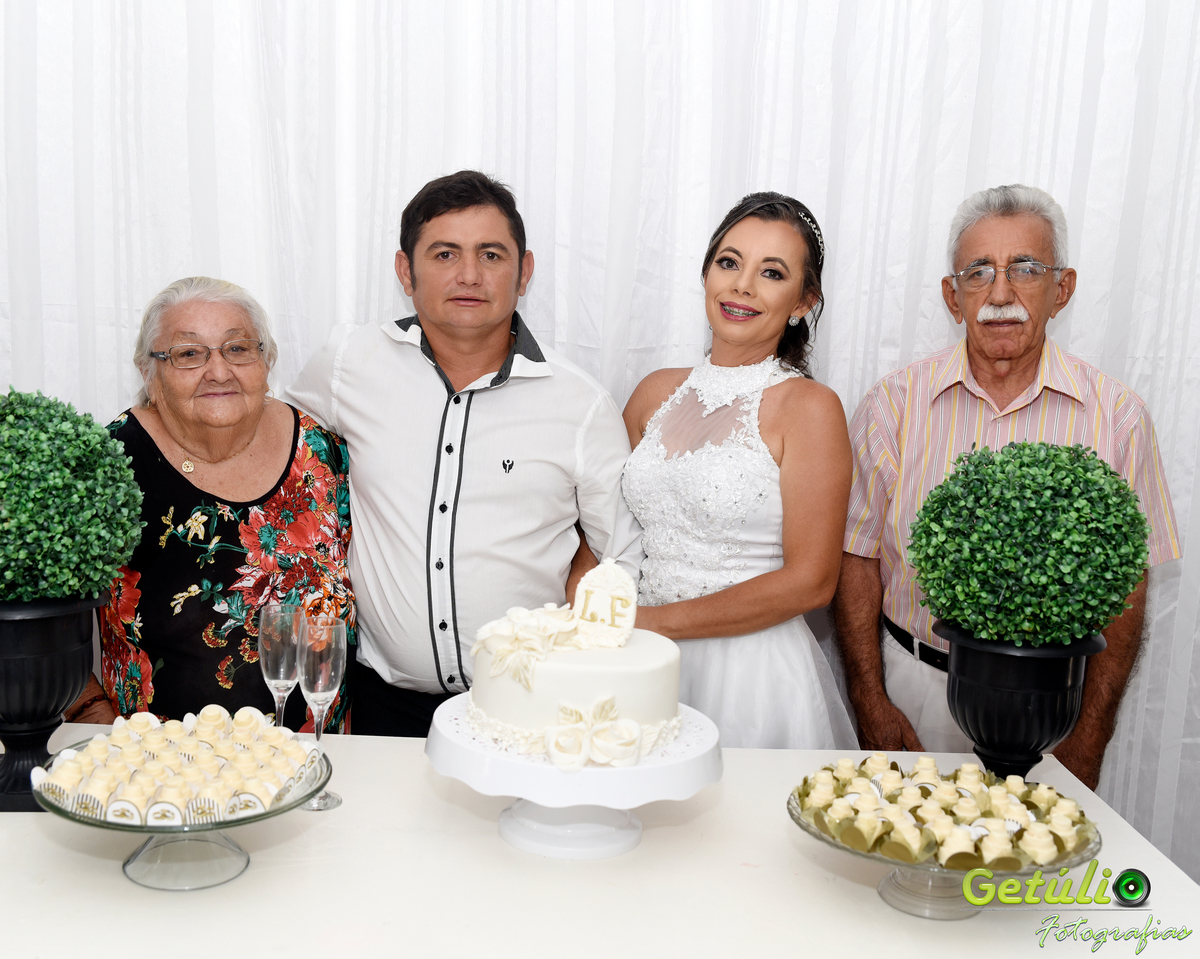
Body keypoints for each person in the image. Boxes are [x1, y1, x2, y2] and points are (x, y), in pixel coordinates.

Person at [832, 184, 1180, 789]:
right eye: (978, 273)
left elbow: (1130, 581)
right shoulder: (893, 405)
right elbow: (857, 556)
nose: (1000, 294)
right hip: (916, 692)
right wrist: (869, 698)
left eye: (1025, 269)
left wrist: (1089, 737)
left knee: (1027, 853)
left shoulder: (1118, 416)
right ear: (953, 296)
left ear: (1061, 289)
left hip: (1054, 706)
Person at [285, 170, 642, 738]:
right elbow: (278, 453)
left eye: (491, 255)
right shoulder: (348, 363)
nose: (470, 275)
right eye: (445, 253)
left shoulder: (581, 404)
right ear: (406, 271)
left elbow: (621, 555)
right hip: (381, 708)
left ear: (524, 272)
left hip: (528, 705)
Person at [620, 192, 857, 749]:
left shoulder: (810, 408)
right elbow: (608, 526)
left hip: (749, 673)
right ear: (706, 275)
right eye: (729, 262)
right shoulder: (654, 392)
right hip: (641, 660)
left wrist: (653, 623)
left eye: (771, 273)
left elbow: (813, 581)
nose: (742, 286)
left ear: (803, 301)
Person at [66, 277, 356, 730]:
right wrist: (92, 715)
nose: (218, 371)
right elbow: (37, 616)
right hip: (160, 758)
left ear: (267, 361)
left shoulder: (321, 451)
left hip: (319, 752)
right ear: (148, 372)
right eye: (188, 354)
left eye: (238, 349)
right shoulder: (110, 466)